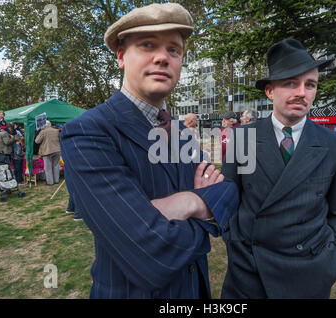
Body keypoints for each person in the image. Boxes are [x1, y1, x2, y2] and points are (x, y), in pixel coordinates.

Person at [60, 2, 238, 299]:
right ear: (120, 56)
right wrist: (204, 210)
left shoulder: (180, 132)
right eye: (147, 45)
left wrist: (187, 202)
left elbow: (228, 191)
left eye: (174, 50)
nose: (162, 57)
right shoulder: (88, 131)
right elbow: (152, 252)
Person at [221, 39, 336, 298]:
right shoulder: (242, 138)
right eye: (290, 83)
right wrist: (235, 245)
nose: (301, 93)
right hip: (249, 273)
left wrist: (334, 256)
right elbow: (229, 199)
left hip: (309, 273)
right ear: (270, 91)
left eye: (310, 84)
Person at [35, 120, 61, 186]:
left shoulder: (43, 131)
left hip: (47, 151)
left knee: (48, 168)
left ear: (45, 125)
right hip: (57, 150)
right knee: (56, 166)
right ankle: (56, 180)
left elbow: (37, 141)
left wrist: (40, 132)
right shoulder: (56, 130)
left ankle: (50, 182)